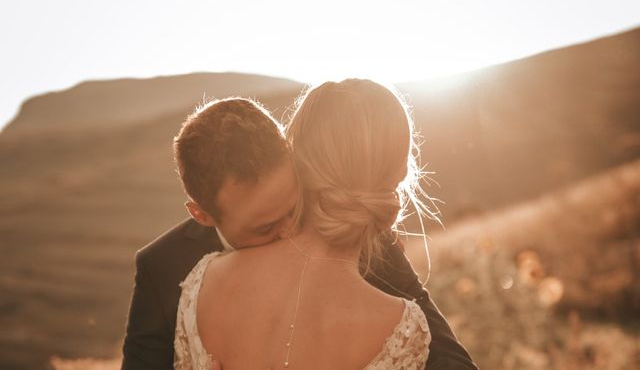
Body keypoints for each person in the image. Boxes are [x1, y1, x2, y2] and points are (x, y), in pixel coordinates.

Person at [122, 89, 478, 369]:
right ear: (202, 214)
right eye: (266, 226)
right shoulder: (163, 268)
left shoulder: (349, 223)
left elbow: (451, 361)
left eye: (293, 207)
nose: (291, 229)